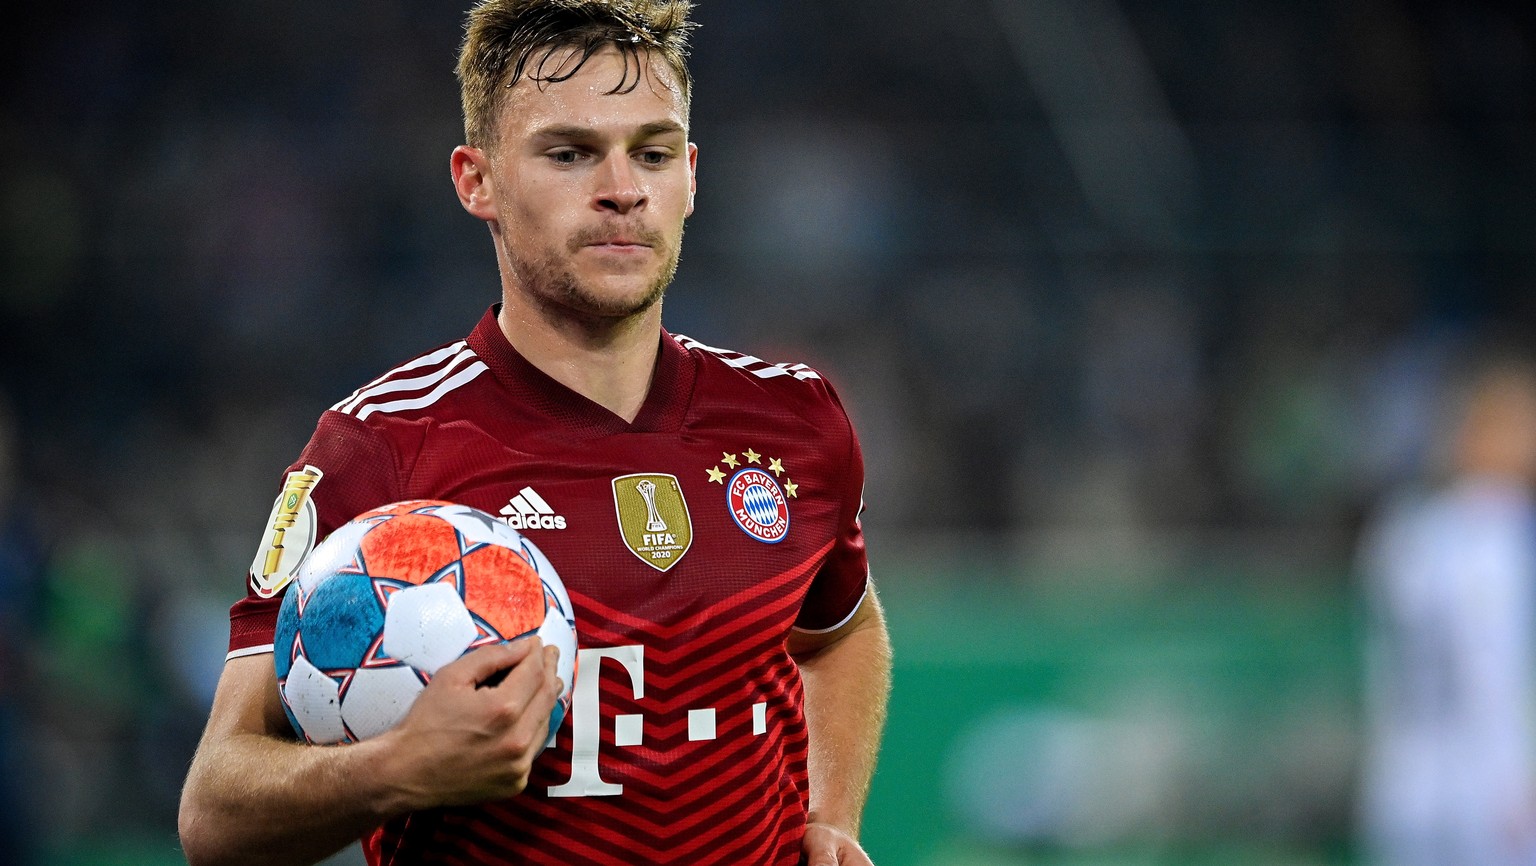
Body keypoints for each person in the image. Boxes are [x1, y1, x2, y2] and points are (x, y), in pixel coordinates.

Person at [176, 2, 893, 864]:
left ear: (691, 177)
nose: (624, 188)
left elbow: (843, 630)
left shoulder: (795, 419)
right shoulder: (382, 447)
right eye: (570, 153)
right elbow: (216, 815)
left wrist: (834, 814)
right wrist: (395, 769)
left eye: (653, 154)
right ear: (475, 180)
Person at [1357, 353, 1536, 866]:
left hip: (1399, 782)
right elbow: (1490, 670)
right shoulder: (1499, 530)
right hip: (1483, 794)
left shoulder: (1404, 530)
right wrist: (1515, 777)